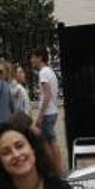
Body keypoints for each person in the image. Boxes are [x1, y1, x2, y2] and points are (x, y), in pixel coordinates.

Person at [30, 48, 65, 176]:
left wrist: (39, 116)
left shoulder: (43, 73)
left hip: (47, 112)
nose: (31, 60)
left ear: (40, 58)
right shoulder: (50, 71)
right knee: (49, 140)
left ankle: (55, 171)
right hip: (53, 110)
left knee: (48, 142)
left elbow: (47, 95)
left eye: (33, 57)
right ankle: (56, 170)